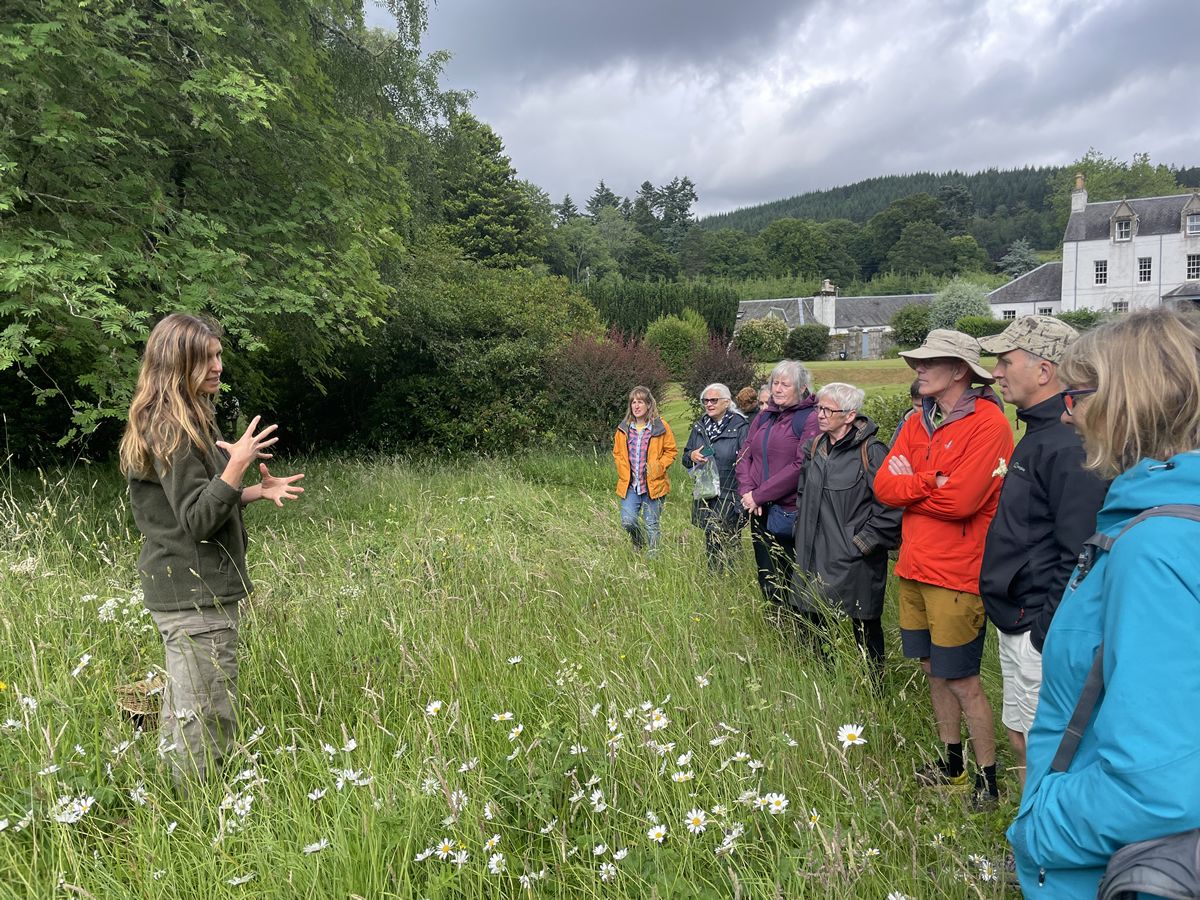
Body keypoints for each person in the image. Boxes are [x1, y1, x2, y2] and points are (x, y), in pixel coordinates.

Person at [1008, 307, 1200, 897]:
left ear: (1129, 402)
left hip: (1105, 874)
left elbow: (1156, 785)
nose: (1068, 412)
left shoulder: (1154, 549)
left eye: (1079, 394)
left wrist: (1039, 826)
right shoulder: (1160, 525)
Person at [118, 313, 305, 787]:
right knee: (206, 716)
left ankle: (171, 797)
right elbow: (198, 520)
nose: (219, 365)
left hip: (191, 590)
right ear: (178, 362)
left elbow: (199, 501)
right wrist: (237, 465)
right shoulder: (171, 429)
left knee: (189, 708)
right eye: (207, 357)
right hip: (193, 595)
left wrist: (253, 492)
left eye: (219, 355)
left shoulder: (184, 418)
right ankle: (199, 814)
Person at [873, 329, 1014, 807]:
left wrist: (916, 483)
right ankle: (952, 762)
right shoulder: (918, 421)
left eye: (930, 361)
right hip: (913, 568)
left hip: (957, 575)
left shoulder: (989, 424)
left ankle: (987, 778)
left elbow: (961, 502)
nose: (919, 368)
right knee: (934, 671)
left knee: (962, 679)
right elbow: (883, 487)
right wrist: (930, 480)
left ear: (959, 370)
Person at [977, 317, 1108, 789]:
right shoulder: (1039, 433)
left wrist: (1043, 630)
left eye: (1005, 361)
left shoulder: (1069, 441)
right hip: (1018, 615)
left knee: (1046, 745)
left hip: (1036, 622)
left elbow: (1081, 549)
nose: (995, 372)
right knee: (1021, 733)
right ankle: (1031, 836)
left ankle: (1045, 851)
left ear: (1045, 370)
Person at [790, 382, 902, 680]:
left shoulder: (872, 451)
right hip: (813, 554)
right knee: (815, 623)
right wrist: (801, 530)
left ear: (850, 415)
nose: (820, 415)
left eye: (828, 409)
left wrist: (862, 543)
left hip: (854, 560)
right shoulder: (814, 447)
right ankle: (824, 686)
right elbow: (802, 493)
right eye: (819, 408)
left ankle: (875, 690)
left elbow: (892, 506)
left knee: (863, 626)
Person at [735, 360, 820, 606]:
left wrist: (760, 495)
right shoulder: (764, 416)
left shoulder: (809, 418)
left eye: (785, 384)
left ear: (802, 387)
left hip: (789, 512)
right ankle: (776, 627)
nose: (778, 389)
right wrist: (748, 492)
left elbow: (800, 465)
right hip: (758, 508)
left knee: (792, 576)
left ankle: (797, 631)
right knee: (766, 574)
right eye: (775, 383)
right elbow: (744, 455)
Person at [682, 383, 749, 570]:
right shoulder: (699, 427)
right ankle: (716, 579)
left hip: (730, 491)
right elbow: (685, 458)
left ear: (726, 402)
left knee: (727, 536)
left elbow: (748, 459)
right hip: (706, 493)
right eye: (706, 401)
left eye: (714, 400)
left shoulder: (740, 426)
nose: (709, 404)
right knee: (711, 537)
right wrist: (692, 455)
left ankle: (734, 577)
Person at [612, 386, 677, 552]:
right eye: (633, 402)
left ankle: (653, 559)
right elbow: (618, 453)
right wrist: (622, 470)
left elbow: (671, 451)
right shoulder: (623, 428)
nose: (636, 405)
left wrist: (658, 468)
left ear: (649, 404)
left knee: (652, 525)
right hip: (631, 486)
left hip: (653, 485)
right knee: (628, 521)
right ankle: (638, 542)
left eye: (640, 402)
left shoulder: (660, 426)